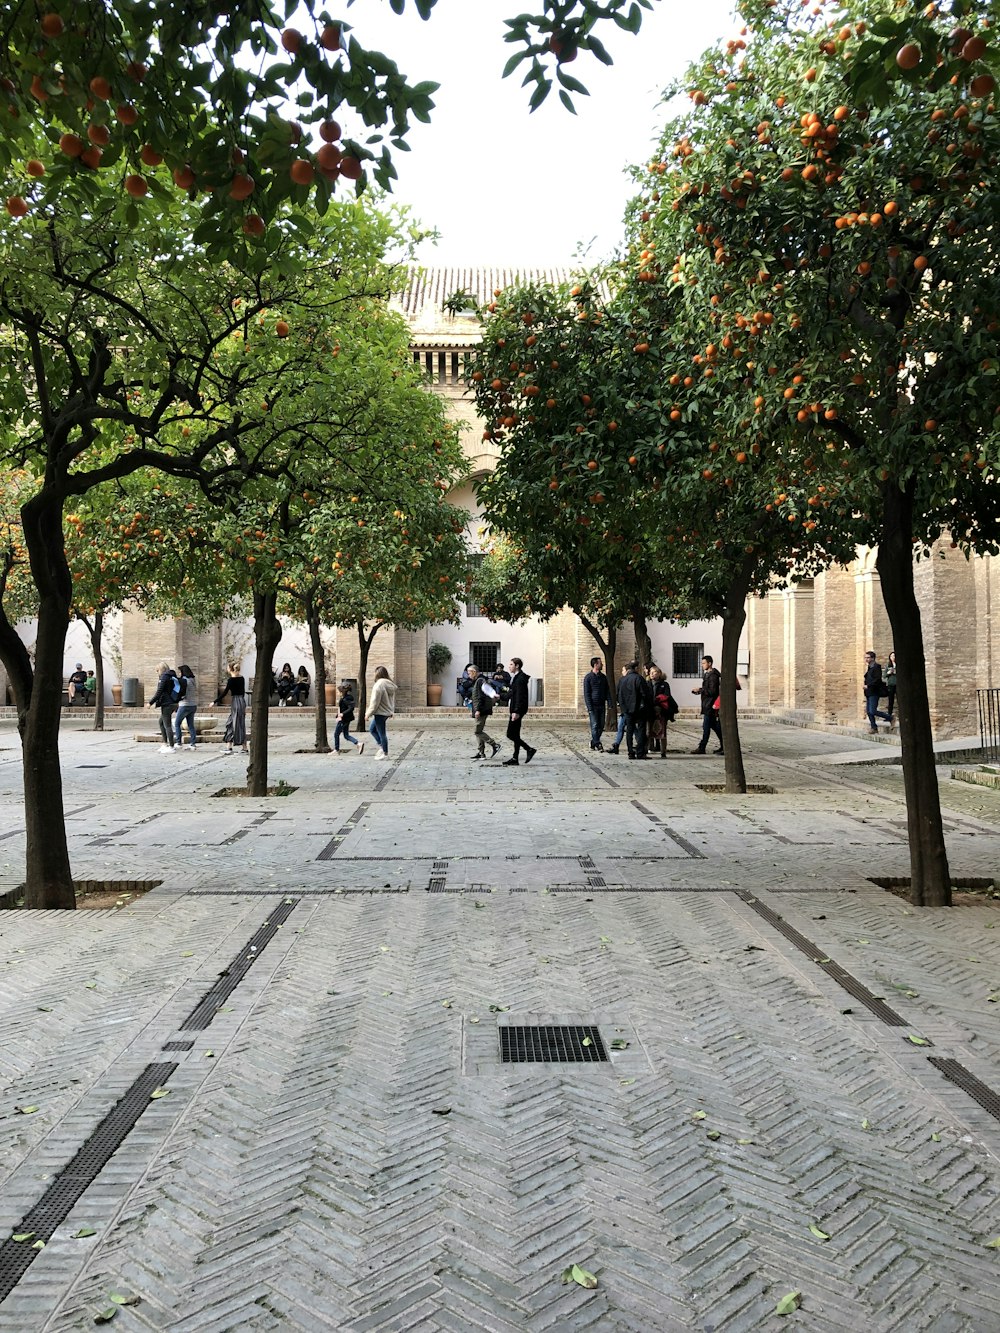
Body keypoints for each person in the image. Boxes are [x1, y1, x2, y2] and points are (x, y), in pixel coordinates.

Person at [502, 656, 536, 765]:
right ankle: (515, 758)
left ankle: (529, 749)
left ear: (517, 666)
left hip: (517, 710)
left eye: (511, 664)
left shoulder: (520, 678)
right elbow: (512, 693)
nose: (509, 666)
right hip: (515, 709)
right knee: (515, 734)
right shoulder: (516, 677)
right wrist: (500, 696)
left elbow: (520, 696)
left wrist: (516, 711)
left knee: (510, 734)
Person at [691, 655, 723, 755]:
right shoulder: (707, 674)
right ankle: (724, 744)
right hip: (707, 703)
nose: (702, 665)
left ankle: (702, 747)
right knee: (715, 726)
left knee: (706, 727)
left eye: (704, 663)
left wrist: (700, 690)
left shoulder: (713, 675)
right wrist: (699, 691)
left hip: (710, 705)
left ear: (709, 663)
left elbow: (713, 691)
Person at [616, 661, 648, 760]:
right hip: (639, 709)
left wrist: (623, 707)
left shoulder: (622, 680)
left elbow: (619, 695)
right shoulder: (639, 678)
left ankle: (630, 751)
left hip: (627, 709)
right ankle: (640, 752)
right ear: (636, 669)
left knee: (629, 730)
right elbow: (644, 694)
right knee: (641, 729)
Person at [469, 665, 501, 760]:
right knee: (479, 731)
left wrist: (478, 710)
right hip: (479, 709)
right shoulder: (478, 681)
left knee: (477, 731)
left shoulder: (480, 681)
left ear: (474, 672)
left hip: (482, 710)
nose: (468, 675)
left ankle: (494, 745)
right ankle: (481, 753)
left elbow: (480, 697)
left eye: (469, 673)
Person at [365, 665, 397, 759]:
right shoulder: (389, 684)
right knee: (372, 729)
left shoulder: (379, 685)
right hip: (385, 712)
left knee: (381, 733)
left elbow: (375, 702)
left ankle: (385, 752)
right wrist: (391, 711)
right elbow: (391, 700)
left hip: (380, 712)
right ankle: (381, 747)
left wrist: (368, 714)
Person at [215, 663, 248, 755]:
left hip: (236, 702)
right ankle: (230, 747)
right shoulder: (242, 678)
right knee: (233, 723)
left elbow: (225, 693)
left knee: (236, 724)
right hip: (241, 701)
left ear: (230, 669)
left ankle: (243, 748)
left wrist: (214, 701)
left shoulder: (231, 680)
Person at [149, 661, 179, 752]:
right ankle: (165, 743)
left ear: (161, 669)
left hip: (167, 704)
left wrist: (150, 702)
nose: (157, 672)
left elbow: (160, 691)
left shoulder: (164, 677)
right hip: (173, 702)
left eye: (157, 670)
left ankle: (171, 746)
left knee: (167, 725)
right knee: (161, 722)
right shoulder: (172, 677)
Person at [583, 657, 610, 752]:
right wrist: (589, 707)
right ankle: (598, 743)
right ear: (595, 665)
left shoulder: (603, 677)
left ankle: (593, 741)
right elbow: (587, 693)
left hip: (601, 704)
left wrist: (610, 703)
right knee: (594, 725)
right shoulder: (588, 678)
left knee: (601, 725)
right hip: (593, 705)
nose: (602, 665)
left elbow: (607, 691)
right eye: (600, 663)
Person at [863, 650, 892, 733]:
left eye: (868, 658)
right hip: (868, 692)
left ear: (873, 658)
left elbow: (877, 680)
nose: (866, 659)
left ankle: (890, 718)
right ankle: (874, 727)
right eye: (865, 658)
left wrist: (868, 685)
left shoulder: (876, 667)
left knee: (873, 710)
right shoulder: (870, 667)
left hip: (874, 692)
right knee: (868, 711)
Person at [649, 666, 672, 757]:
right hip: (650, 710)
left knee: (662, 730)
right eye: (651, 672)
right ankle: (649, 747)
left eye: (654, 672)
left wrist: (658, 702)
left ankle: (663, 751)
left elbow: (667, 695)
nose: (651, 674)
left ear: (659, 673)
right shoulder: (648, 683)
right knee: (649, 730)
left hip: (661, 710)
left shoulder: (664, 684)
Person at [174, 664, 198, 748]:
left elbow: (182, 693)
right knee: (191, 725)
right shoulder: (193, 680)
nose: (179, 674)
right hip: (193, 705)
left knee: (177, 723)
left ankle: (178, 742)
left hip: (184, 705)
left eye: (180, 672)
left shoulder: (184, 681)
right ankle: (193, 743)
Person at [333, 681, 359, 753]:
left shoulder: (346, 699)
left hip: (343, 719)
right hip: (346, 719)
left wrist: (342, 714)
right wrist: (338, 714)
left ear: (342, 691)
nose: (338, 693)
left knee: (336, 734)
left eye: (339, 691)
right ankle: (358, 743)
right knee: (346, 735)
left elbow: (350, 708)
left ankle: (336, 749)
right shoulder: (346, 698)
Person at [885, 650, 897, 723]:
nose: (893, 657)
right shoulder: (888, 665)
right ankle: (888, 715)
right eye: (891, 656)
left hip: (898, 684)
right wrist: (888, 672)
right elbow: (884, 676)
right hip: (891, 684)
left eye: (894, 656)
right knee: (890, 700)